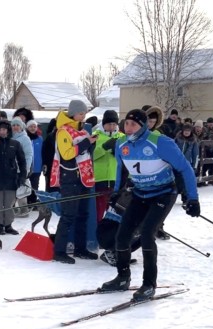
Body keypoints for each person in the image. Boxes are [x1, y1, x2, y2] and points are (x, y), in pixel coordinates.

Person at [100, 109, 200, 301]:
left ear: (143, 125)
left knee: (147, 235)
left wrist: (192, 198)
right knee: (122, 235)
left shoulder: (160, 142)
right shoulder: (122, 144)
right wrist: (116, 193)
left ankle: (148, 284)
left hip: (163, 193)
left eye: (133, 124)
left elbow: (185, 168)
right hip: (139, 193)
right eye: (126, 124)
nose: (128, 128)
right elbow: (121, 170)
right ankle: (122, 277)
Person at [50, 99, 97, 263]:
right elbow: (67, 154)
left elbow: (86, 152)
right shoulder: (63, 131)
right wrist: (86, 143)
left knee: (83, 214)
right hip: (70, 178)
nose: (84, 116)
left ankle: (80, 248)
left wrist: (91, 144)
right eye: (81, 113)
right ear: (73, 113)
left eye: (85, 113)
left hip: (84, 178)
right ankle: (59, 251)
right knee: (68, 215)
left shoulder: (83, 131)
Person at [93, 110, 123, 223]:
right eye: (109, 124)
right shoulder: (95, 136)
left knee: (114, 215)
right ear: (103, 124)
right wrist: (104, 148)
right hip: (99, 180)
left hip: (116, 180)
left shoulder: (122, 137)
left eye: (114, 124)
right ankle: (95, 237)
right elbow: (91, 156)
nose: (111, 126)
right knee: (98, 213)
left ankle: (110, 237)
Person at [10, 117, 33, 218]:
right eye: (13, 125)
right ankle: (12, 210)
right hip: (11, 169)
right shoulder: (10, 137)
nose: (15, 127)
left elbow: (28, 154)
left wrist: (26, 168)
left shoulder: (25, 138)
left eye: (17, 125)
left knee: (21, 190)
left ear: (21, 127)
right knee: (12, 190)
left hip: (21, 168)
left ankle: (24, 210)